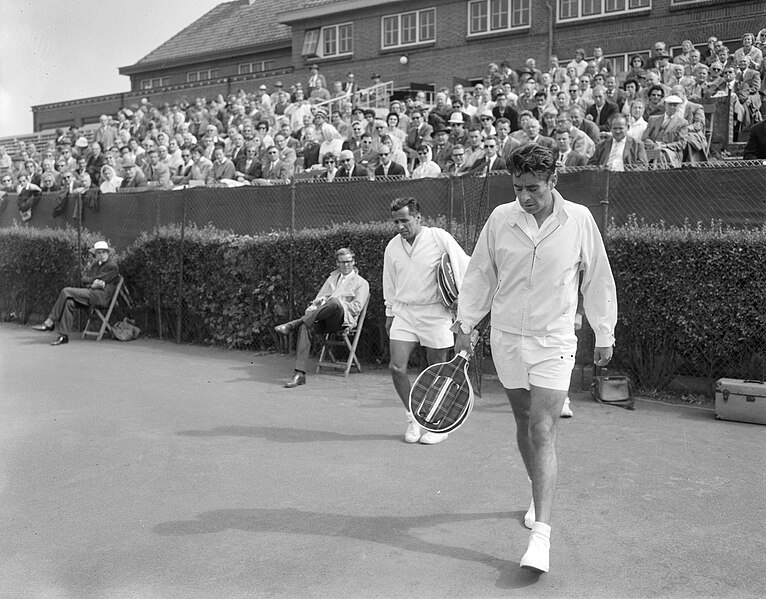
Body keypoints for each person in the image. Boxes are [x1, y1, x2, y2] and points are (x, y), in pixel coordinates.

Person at [453, 143, 616, 573]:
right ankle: (535, 487)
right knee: (524, 422)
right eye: (518, 187)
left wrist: (604, 331)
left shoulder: (579, 219)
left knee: (542, 429)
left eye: (534, 188)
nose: (525, 197)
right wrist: (464, 325)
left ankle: (541, 537)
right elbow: (480, 275)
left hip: (555, 341)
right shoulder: (501, 219)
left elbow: (597, 275)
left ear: (553, 180)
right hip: (507, 340)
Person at [383, 197, 470, 445]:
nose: (400, 226)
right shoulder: (392, 247)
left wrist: (462, 304)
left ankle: (439, 422)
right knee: (396, 367)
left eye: (405, 220)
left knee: (437, 370)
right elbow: (389, 282)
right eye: (396, 221)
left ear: (418, 218)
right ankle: (414, 417)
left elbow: (463, 264)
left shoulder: (438, 237)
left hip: (435, 313)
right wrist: (390, 312)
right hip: (404, 312)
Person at [274, 247, 369, 388]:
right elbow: (316, 301)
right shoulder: (332, 279)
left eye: (349, 261)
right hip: (323, 318)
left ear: (354, 262)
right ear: (337, 263)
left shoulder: (361, 283)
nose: (346, 265)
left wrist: (335, 302)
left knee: (334, 303)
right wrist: (316, 305)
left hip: (342, 320)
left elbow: (356, 308)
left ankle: (293, 324)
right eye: (342, 262)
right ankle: (299, 374)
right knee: (305, 327)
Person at [31, 241, 121, 346]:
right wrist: (92, 284)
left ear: (108, 253)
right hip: (90, 294)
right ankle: (63, 337)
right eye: (99, 253)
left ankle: (50, 321)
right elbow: (85, 280)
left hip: (101, 297)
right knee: (69, 302)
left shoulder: (112, 266)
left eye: (104, 252)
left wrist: (91, 283)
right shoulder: (95, 266)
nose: (102, 255)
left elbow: (96, 280)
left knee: (66, 291)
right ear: (95, 254)